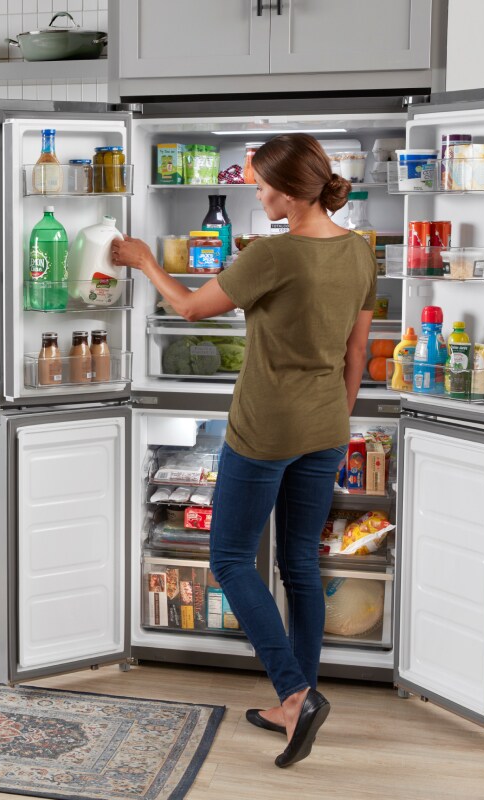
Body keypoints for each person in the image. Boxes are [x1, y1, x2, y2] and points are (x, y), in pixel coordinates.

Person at [110, 133, 374, 768]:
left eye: (260, 185)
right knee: (300, 567)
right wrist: (336, 416)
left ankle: (294, 693)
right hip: (326, 426)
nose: (256, 194)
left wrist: (145, 260)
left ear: (287, 191)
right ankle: (296, 705)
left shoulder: (274, 253)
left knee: (229, 559)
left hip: (264, 428)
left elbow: (193, 309)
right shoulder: (361, 252)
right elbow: (357, 354)